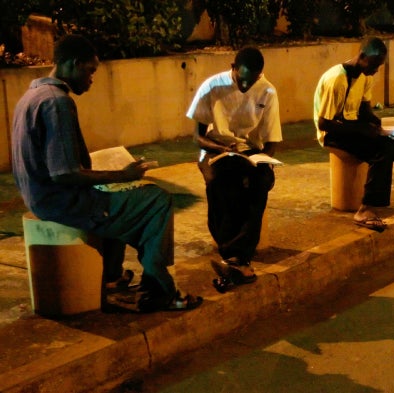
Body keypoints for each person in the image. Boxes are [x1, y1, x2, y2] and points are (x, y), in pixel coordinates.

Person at [11, 34, 202, 312]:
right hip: (61, 202)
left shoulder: (30, 96)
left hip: (38, 196)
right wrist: (121, 176)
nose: (91, 79)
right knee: (156, 200)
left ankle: (112, 276)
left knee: (120, 200)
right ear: (73, 65)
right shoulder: (57, 102)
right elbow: (64, 173)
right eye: (90, 71)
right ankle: (159, 289)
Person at [314, 36, 394, 231]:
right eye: (374, 65)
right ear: (362, 56)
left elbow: (365, 109)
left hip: (353, 126)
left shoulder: (365, 76)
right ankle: (366, 208)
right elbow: (325, 123)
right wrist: (364, 130)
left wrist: (383, 125)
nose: (376, 70)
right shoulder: (337, 79)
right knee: (383, 149)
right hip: (334, 132)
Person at [187, 46, 282, 284]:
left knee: (259, 182)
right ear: (233, 68)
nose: (245, 86)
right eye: (242, 80)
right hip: (216, 148)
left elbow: (272, 140)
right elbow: (198, 137)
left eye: (251, 81)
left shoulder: (268, 91)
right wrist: (222, 149)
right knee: (220, 182)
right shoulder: (212, 87)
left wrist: (264, 162)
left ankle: (237, 258)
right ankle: (235, 256)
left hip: (249, 150)